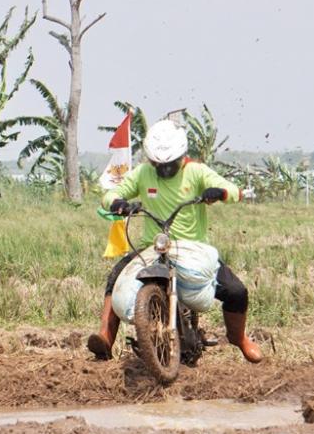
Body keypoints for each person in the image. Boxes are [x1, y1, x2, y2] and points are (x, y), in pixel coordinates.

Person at [87, 119, 263, 364]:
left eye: (170, 164)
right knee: (116, 276)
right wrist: (117, 203)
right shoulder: (143, 173)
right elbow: (111, 194)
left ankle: (240, 339)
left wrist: (219, 192)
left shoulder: (197, 171)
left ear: (181, 157)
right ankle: (105, 338)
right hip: (152, 247)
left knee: (236, 291)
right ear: (151, 161)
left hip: (193, 249)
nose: (164, 169)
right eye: (159, 165)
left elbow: (233, 191)